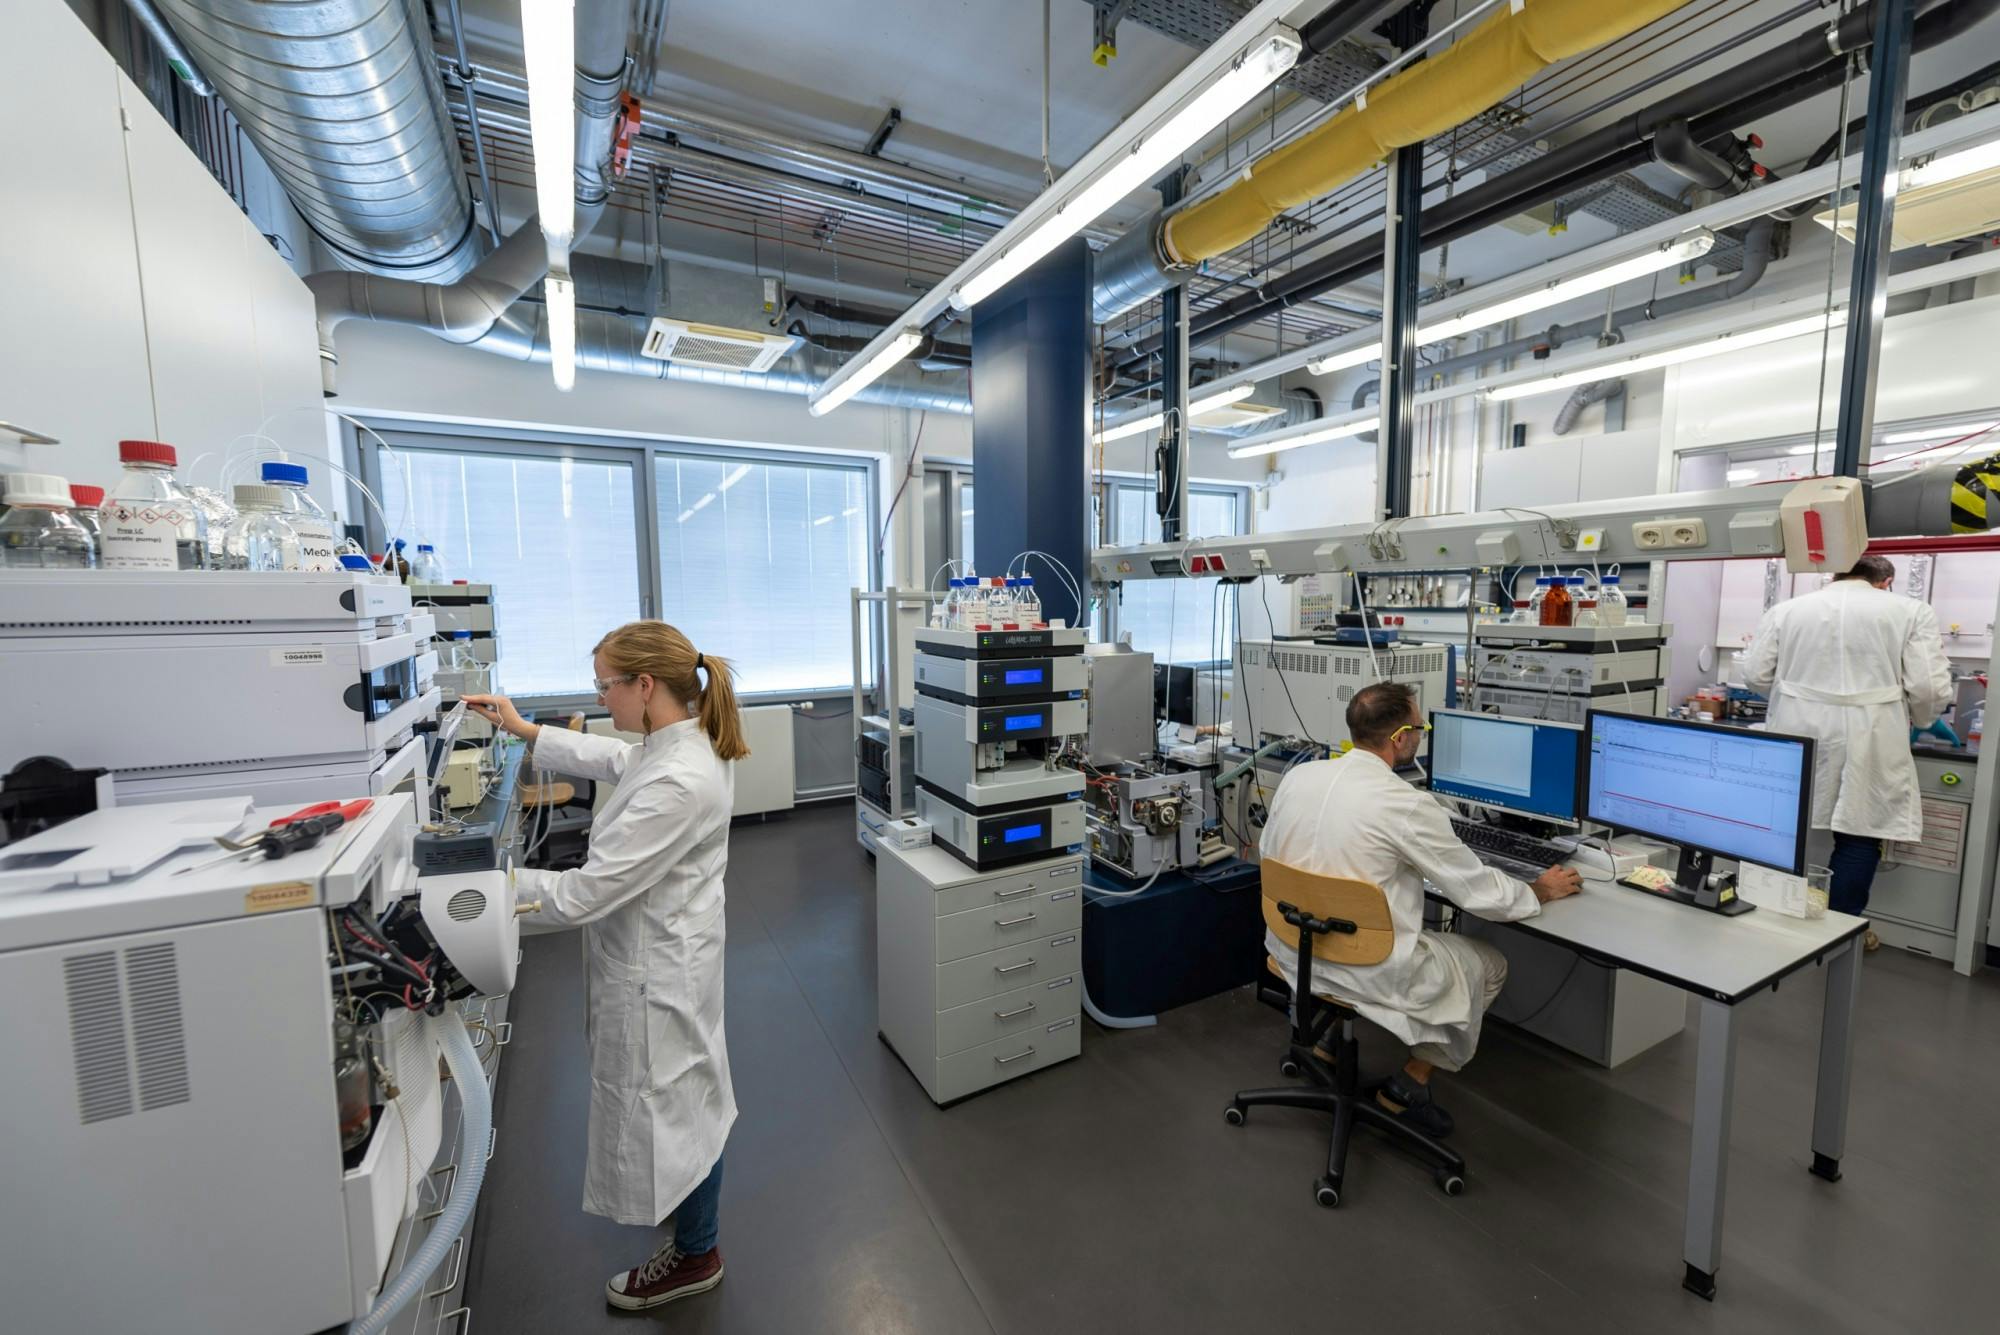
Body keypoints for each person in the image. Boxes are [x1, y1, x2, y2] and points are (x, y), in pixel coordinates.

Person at [463, 620, 750, 1312]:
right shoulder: (680, 744)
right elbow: (616, 760)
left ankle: (696, 1252)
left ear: (644, 685)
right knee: (691, 1093)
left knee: (677, 1099)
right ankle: (693, 1228)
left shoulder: (679, 778)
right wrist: (526, 730)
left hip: (659, 968)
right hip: (676, 951)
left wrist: (492, 888)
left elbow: (585, 894)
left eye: (606, 685)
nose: (602, 698)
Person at [1259, 683, 1581, 1138]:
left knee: (1371, 928)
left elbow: (1269, 853)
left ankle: (1330, 1042)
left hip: (1296, 950)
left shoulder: (1299, 777)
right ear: (1399, 738)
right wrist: (1538, 890)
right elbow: (1476, 892)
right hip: (1365, 967)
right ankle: (1407, 1087)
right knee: (1489, 965)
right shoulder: (1406, 804)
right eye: (1421, 729)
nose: (1423, 737)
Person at [1741, 554, 1953, 945]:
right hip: (1871, 733)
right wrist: (1923, 720)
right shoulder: (1911, 611)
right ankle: (1836, 933)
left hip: (1797, 729)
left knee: (1780, 827)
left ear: (1836, 574)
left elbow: (1755, 675)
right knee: (1860, 832)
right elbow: (1928, 689)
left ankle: (1764, 918)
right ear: (1885, 581)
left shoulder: (1787, 610)